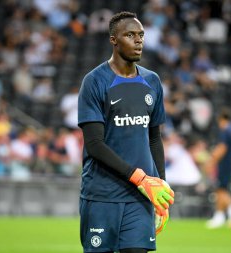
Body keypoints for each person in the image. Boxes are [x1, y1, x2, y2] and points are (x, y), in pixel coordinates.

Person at [77, 12, 174, 253]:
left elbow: (154, 138)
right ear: (113, 40)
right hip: (102, 195)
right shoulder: (95, 82)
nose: (138, 40)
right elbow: (95, 144)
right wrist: (140, 178)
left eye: (141, 35)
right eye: (130, 35)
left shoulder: (152, 81)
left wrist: (160, 186)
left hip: (139, 198)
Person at [205, 108, 231, 229]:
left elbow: (222, 148)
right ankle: (220, 216)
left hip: (224, 164)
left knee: (222, 190)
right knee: (221, 190)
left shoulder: (226, 131)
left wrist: (211, 161)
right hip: (228, 163)